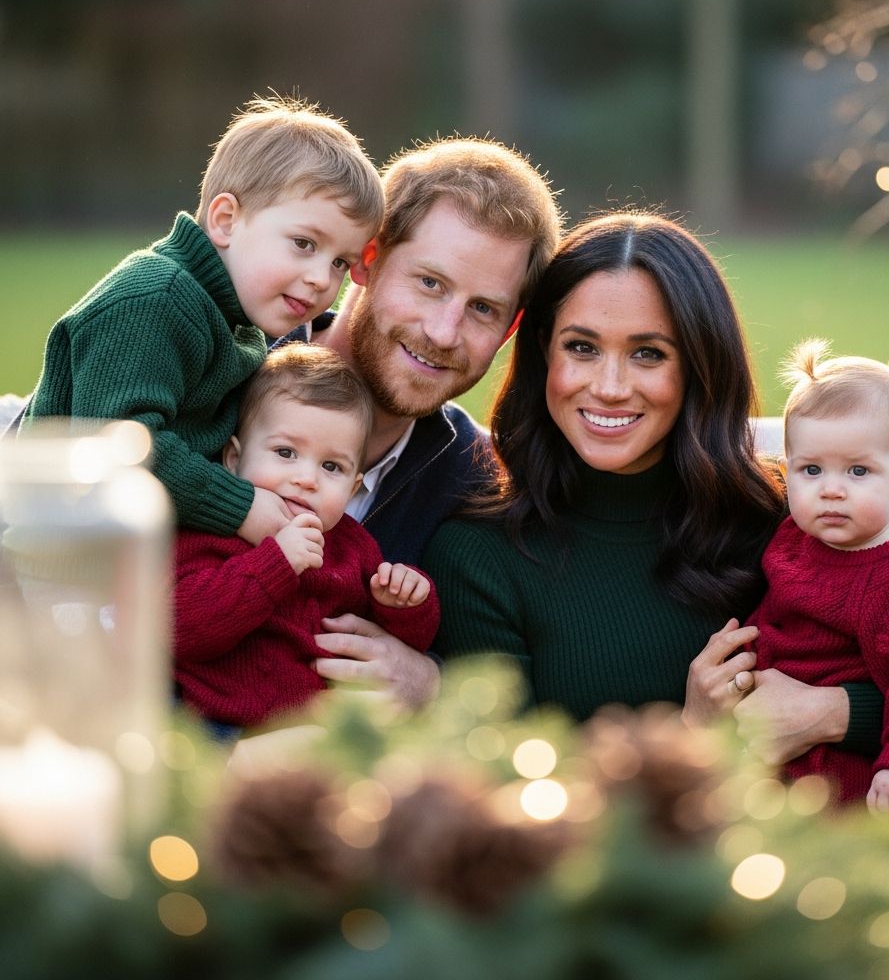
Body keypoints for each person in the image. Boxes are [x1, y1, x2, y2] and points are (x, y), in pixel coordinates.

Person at [421, 211, 889, 973]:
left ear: (698, 367)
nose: (610, 385)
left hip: (856, 870)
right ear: (541, 356)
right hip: (653, 893)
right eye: (581, 347)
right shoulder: (479, 553)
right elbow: (503, 794)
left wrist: (820, 712)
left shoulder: (787, 513)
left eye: (649, 353)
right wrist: (692, 739)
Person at [19, 94, 384, 549]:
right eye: (304, 244)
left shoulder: (238, 320)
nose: (320, 279)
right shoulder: (156, 300)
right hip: (67, 563)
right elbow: (119, 448)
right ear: (226, 221)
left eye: (339, 263)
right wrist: (239, 505)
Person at [294, 136, 563, 705]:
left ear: (510, 330)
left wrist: (431, 682)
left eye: (482, 309)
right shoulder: (219, 380)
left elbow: (522, 684)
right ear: (368, 260)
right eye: (430, 283)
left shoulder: (479, 484)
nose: (443, 333)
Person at [745, 339, 889, 863]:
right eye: (811, 470)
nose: (831, 490)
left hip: (870, 790)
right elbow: (776, 621)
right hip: (793, 777)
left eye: (858, 471)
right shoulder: (794, 540)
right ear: (787, 471)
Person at [174, 344, 439, 729]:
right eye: (285, 452)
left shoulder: (352, 548)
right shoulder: (211, 532)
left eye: (331, 466)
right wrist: (276, 563)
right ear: (234, 459)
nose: (307, 479)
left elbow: (397, 644)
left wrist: (404, 605)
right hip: (219, 729)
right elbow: (180, 629)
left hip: (323, 733)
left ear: (353, 488)